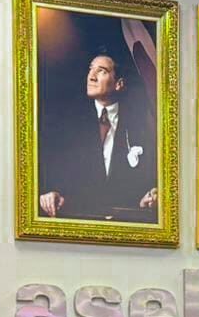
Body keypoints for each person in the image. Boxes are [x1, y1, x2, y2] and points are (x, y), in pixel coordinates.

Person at [38, 51, 158, 223]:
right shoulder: (67, 122)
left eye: (101, 71)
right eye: (90, 69)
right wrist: (49, 192)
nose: (91, 77)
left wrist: (146, 198)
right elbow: (50, 170)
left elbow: (142, 184)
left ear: (119, 84)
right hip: (76, 220)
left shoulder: (139, 124)